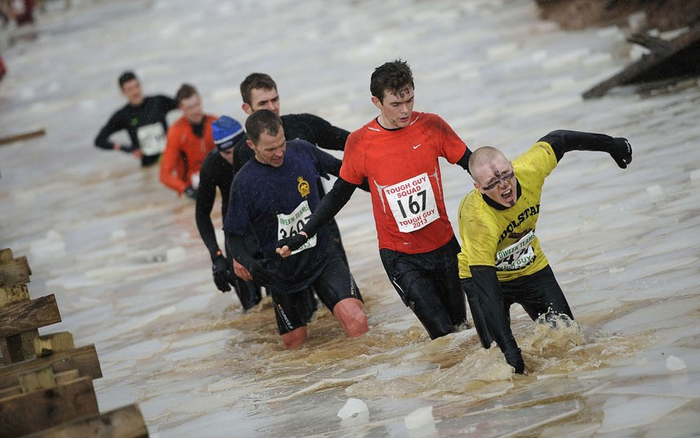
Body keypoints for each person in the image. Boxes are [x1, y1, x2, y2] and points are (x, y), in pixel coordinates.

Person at [277, 59, 473, 340]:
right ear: (376, 101)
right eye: (396, 104)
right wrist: (304, 233)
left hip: (444, 247)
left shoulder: (432, 125)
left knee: (461, 330)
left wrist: (503, 182)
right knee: (443, 335)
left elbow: (471, 162)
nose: (405, 110)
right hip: (401, 256)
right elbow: (339, 195)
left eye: (409, 99)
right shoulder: (361, 142)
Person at [457, 130, 633, 374]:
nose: (504, 186)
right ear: (478, 187)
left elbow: (560, 139)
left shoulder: (529, 169)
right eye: (493, 184)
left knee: (571, 342)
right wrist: (511, 351)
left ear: (511, 166)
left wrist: (611, 144)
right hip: (484, 277)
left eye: (507, 175)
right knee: (497, 362)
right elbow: (488, 291)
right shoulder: (478, 219)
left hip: (530, 268)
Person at [224, 110, 368, 348]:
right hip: (282, 273)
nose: (279, 152)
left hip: (322, 257)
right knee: (296, 349)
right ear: (251, 145)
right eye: (270, 149)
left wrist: (384, 184)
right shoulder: (244, 183)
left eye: (281, 144)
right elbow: (234, 238)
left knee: (357, 320)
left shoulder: (302, 151)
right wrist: (251, 265)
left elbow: (348, 173)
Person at [196, 115, 261, 309]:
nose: (234, 156)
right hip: (236, 233)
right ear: (218, 150)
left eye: (237, 150)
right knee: (253, 311)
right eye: (227, 153)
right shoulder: (211, 165)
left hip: (265, 228)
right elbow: (201, 215)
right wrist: (216, 256)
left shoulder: (261, 151)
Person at [94, 71, 178, 167]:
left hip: (172, 159)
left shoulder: (158, 102)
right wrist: (127, 148)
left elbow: (183, 106)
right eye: (130, 89)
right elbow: (99, 140)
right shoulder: (123, 115)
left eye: (137, 86)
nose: (135, 91)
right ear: (122, 92)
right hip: (149, 166)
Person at [159, 83, 217, 199]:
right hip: (191, 191)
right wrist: (185, 189)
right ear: (181, 108)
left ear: (200, 100)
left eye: (197, 104)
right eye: (190, 108)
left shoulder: (215, 123)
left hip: (217, 185)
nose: (196, 111)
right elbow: (164, 175)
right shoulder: (176, 132)